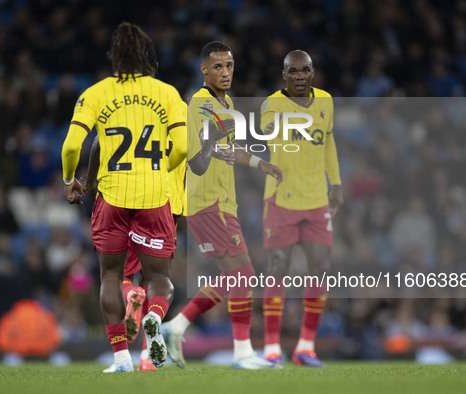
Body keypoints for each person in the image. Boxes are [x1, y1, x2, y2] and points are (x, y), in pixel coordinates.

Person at [61, 22, 187, 373]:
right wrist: (161, 170)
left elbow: (74, 144)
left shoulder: (97, 93)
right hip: (153, 195)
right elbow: (184, 147)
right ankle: (155, 317)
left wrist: (71, 180)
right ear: (148, 57)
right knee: (159, 278)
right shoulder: (167, 94)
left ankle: (121, 359)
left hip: (112, 194)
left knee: (112, 277)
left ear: (112, 57)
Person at [162, 41, 284, 370]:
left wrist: (262, 164)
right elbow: (197, 160)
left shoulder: (226, 102)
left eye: (229, 65)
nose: (225, 72)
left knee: (233, 278)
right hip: (208, 201)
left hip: (223, 202)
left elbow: (231, 150)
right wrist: (213, 136)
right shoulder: (199, 103)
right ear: (204, 70)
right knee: (243, 275)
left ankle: (175, 328)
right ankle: (242, 353)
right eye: (217, 66)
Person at [260, 50, 343, 367]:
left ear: (313, 72)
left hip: (317, 199)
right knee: (277, 269)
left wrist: (335, 183)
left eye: (304, 70)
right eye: (292, 71)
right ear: (284, 75)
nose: (298, 76)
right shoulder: (271, 104)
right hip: (281, 199)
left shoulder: (326, 101)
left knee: (320, 270)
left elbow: (329, 142)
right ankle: (271, 348)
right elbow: (268, 132)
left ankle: (305, 347)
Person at [83, 131, 186, 371]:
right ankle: (147, 357)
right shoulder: (179, 116)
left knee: (118, 276)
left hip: (122, 197)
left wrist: (88, 181)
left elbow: (97, 143)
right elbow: (195, 162)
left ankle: (129, 295)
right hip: (166, 204)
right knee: (157, 278)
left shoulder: (129, 109)